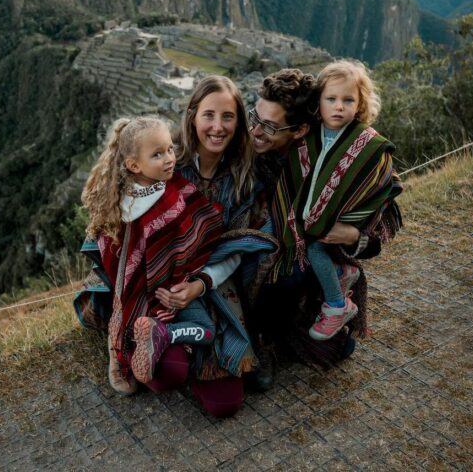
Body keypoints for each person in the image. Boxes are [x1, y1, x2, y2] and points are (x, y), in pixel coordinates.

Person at [250, 67, 401, 375]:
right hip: (272, 265)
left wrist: (353, 235)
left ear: (299, 129)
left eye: (270, 126)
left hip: (317, 253)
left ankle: (310, 313)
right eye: (255, 118)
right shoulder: (253, 159)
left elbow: (383, 212)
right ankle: (261, 337)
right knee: (268, 259)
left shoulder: (337, 149)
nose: (256, 132)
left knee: (340, 348)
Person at [74, 116, 225, 396]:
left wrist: (192, 282)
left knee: (204, 333)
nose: (169, 159)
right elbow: (121, 277)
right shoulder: (123, 208)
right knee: (203, 331)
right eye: (157, 154)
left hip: (177, 291)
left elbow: (203, 227)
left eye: (169, 149)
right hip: (139, 298)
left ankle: (160, 334)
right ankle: (118, 350)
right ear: (134, 165)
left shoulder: (176, 187)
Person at [155, 75, 277, 416]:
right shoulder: (169, 164)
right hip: (162, 275)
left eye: (228, 117)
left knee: (224, 404)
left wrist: (201, 284)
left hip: (215, 278)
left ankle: (215, 349)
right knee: (169, 371)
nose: (217, 127)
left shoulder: (243, 177)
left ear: (239, 122)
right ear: (193, 116)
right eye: (209, 115)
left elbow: (237, 246)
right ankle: (155, 345)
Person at [300, 60, 402, 340]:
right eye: (330, 99)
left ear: (360, 104)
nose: (339, 106)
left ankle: (336, 306)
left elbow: (379, 188)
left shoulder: (368, 145)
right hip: (307, 221)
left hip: (336, 228)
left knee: (315, 250)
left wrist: (354, 231)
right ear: (318, 101)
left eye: (348, 100)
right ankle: (340, 274)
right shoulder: (307, 137)